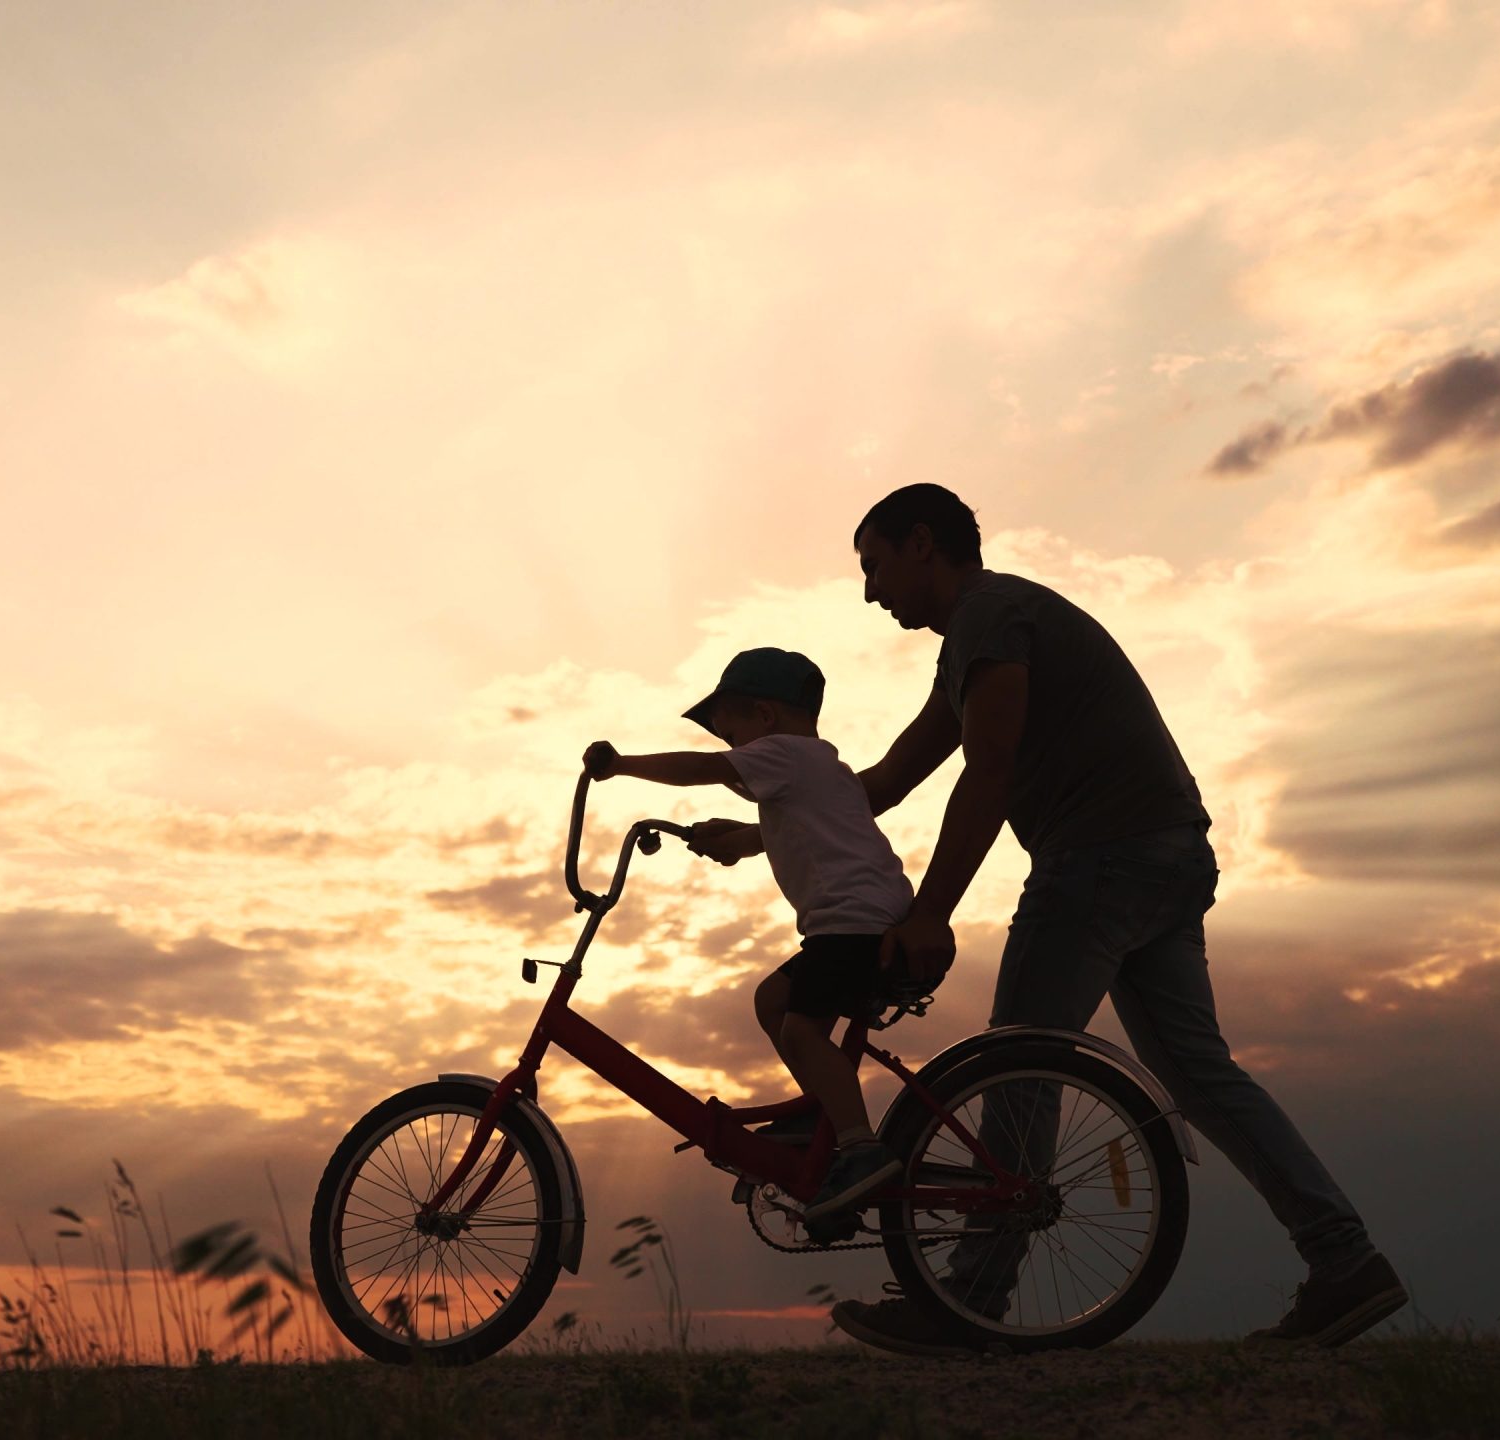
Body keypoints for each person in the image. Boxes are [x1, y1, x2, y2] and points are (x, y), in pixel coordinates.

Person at [690, 484, 1406, 1352]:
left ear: (923, 544)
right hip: (1167, 855)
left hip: (1098, 863)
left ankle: (970, 1304)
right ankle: (1345, 1259)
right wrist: (757, 828)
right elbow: (878, 787)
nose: (872, 593)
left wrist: (929, 914)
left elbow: (986, 774)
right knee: (1201, 1076)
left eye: (875, 567)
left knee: (1016, 1066)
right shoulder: (981, 637)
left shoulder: (990, 623)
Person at [583, 646, 914, 1222]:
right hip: (863, 922)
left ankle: (861, 1147)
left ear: (766, 718)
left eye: (730, 729)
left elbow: (701, 770)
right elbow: (793, 828)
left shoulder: (782, 754)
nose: (729, 747)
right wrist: (737, 840)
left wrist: (621, 764)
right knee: (773, 1000)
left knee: (803, 1031)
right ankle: (820, 1114)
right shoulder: (817, 770)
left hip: (851, 926)